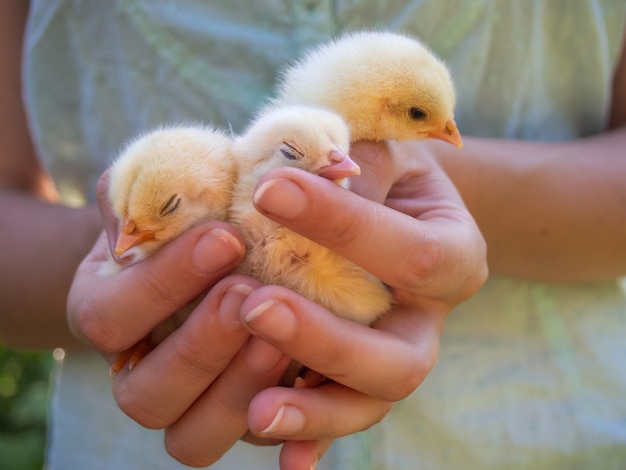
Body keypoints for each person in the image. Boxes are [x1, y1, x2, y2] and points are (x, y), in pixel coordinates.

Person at [1, 1, 625, 469]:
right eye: (421, 121)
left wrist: (402, 201)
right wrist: (146, 269)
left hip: (546, 433)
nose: (443, 133)